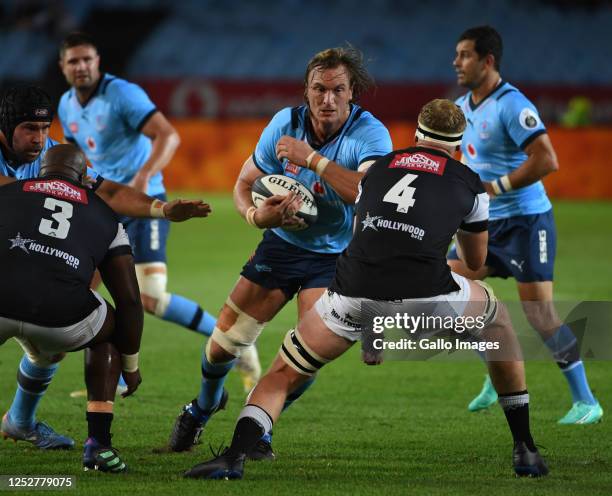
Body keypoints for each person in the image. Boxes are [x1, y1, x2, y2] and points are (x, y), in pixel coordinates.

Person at [183, 99, 549, 480]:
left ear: (416, 135)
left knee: (283, 372)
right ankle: (525, 448)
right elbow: (474, 261)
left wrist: (372, 329)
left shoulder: (378, 169)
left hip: (351, 289)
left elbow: (364, 242)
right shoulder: (469, 182)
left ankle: (233, 457)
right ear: (458, 145)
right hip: (427, 294)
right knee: (497, 321)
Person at [167, 45, 393, 457]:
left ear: (352, 92)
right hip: (283, 247)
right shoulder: (283, 124)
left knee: (305, 354)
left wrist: (313, 160)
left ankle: (259, 426)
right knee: (223, 343)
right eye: (319, 89)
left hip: (336, 257)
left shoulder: (370, 134)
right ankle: (203, 406)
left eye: (337, 90)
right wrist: (257, 217)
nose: (327, 99)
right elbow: (242, 183)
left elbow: (369, 195)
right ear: (306, 91)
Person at [0, 84, 211, 450]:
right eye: (29, 130)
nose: (39, 138)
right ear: (4, 129)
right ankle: (97, 444)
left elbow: (107, 191)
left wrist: (162, 209)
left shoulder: (52, 154)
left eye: (44, 128)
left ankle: (20, 421)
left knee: (51, 340)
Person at [449, 25, 602, 424]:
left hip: (526, 224)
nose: (456, 62)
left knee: (540, 315)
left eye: (465, 54)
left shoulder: (513, 105)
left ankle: (586, 400)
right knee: (448, 292)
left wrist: (494, 187)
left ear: (488, 60)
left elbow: (547, 159)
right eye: (456, 54)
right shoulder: (462, 106)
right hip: (483, 225)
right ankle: (498, 369)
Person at [56, 32, 222, 345]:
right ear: (62, 67)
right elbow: (75, 157)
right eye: (73, 61)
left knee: (149, 296)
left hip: (142, 202)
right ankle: (89, 371)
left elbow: (168, 135)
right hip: (102, 206)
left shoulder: (121, 93)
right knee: (79, 296)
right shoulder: (66, 105)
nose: (81, 66)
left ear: (98, 61)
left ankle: (228, 343)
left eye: (87, 59)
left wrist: (144, 176)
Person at [0, 144, 143, 472]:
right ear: (85, 178)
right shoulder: (105, 214)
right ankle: (98, 445)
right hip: (61, 319)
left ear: (40, 171)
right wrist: (130, 366)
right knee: (108, 328)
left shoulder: (8, 191)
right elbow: (131, 301)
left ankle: (21, 420)